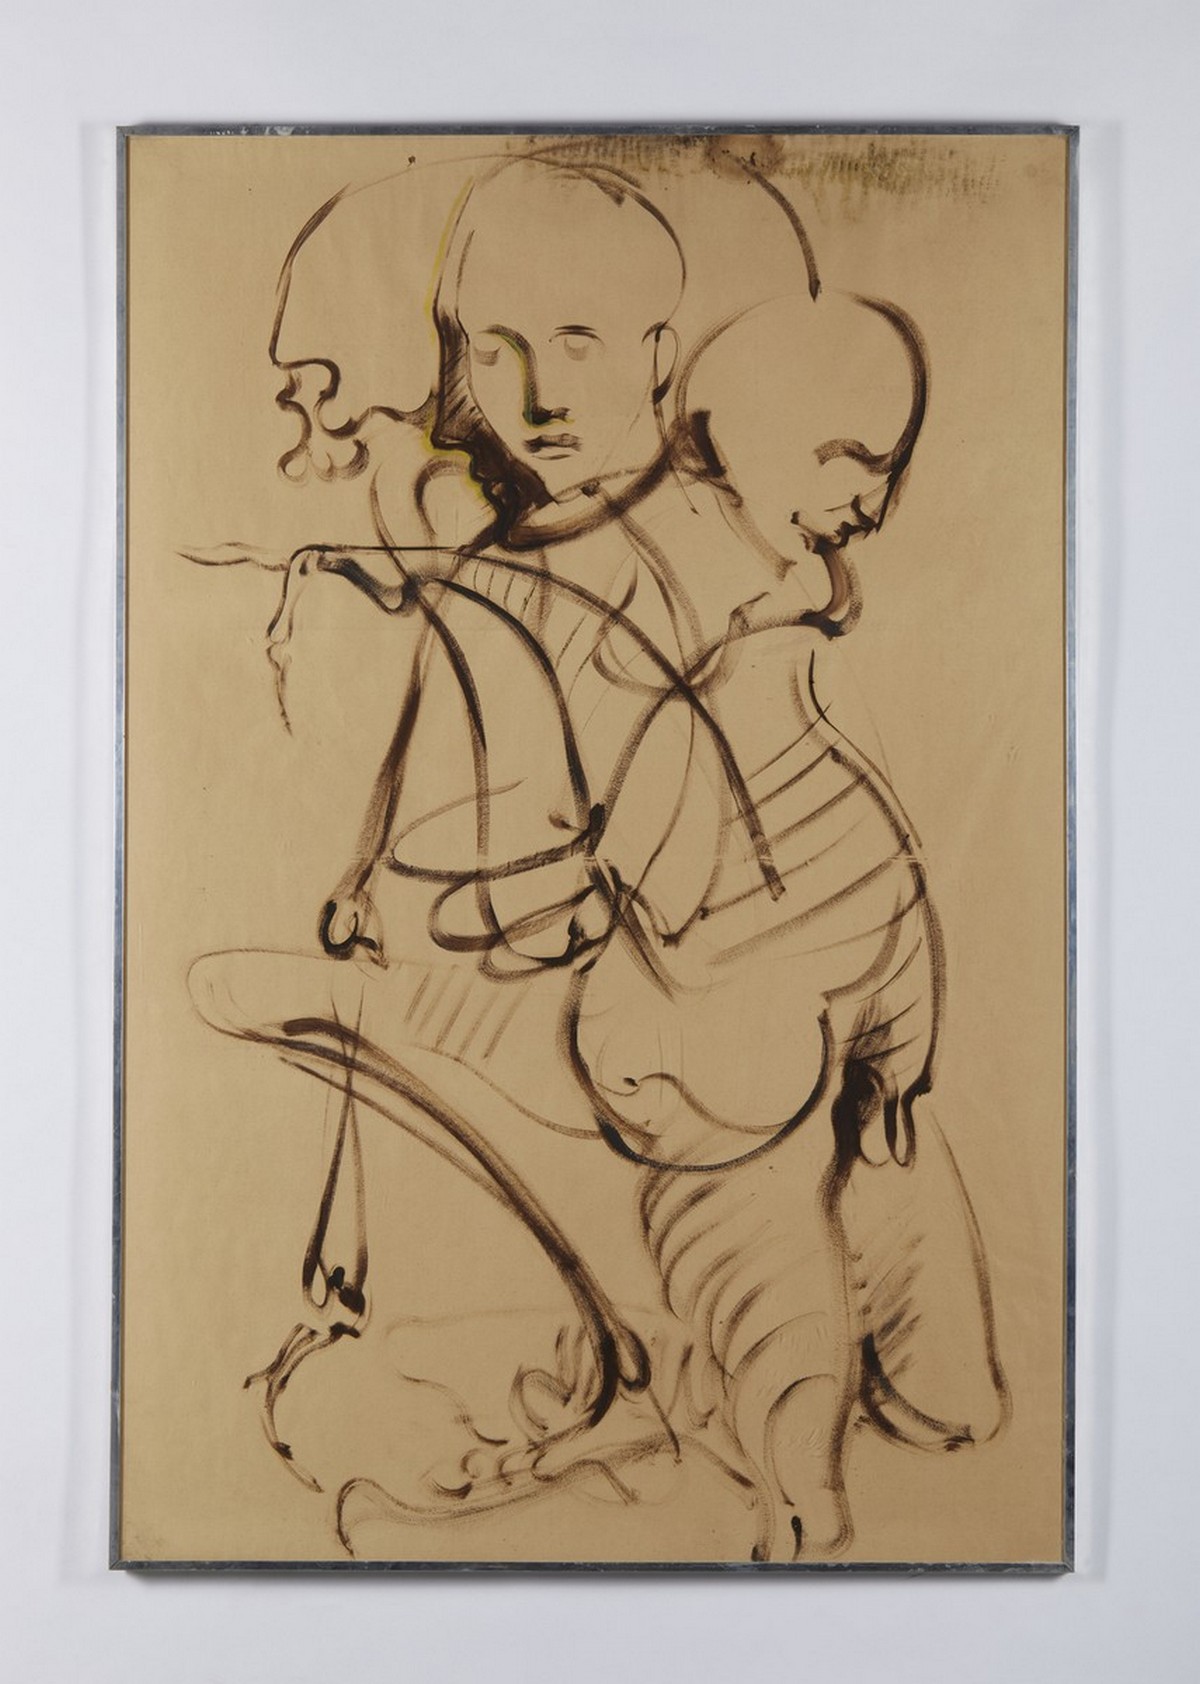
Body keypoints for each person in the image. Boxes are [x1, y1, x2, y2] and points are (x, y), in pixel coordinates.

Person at [190, 152, 1005, 1562]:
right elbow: (477, 784)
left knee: (820, 1197)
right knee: (785, 1206)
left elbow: (709, 716)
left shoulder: (698, 515)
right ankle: (842, 1436)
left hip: (782, 955)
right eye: (494, 348)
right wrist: (384, 881)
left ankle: (882, 1407)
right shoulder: (517, 565)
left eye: (576, 342)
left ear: (659, 354)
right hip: (749, 967)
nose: (538, 394)